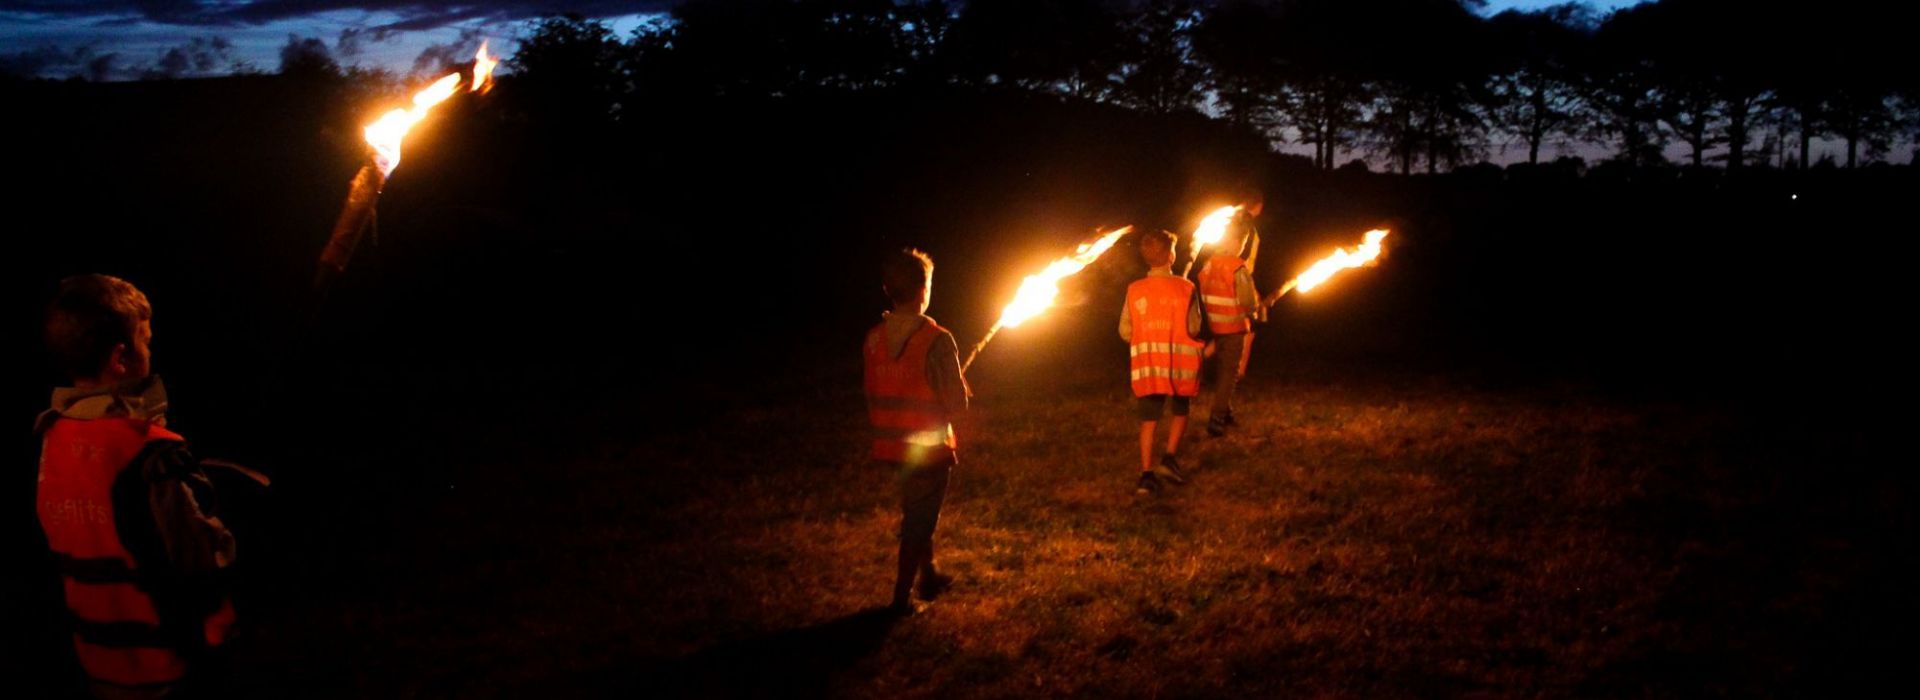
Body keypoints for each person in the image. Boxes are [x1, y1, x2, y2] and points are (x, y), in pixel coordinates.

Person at [36, 274, 238, 699]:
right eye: (146, 341)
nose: (151, 350)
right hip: (166, 662)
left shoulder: (51, 439)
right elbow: (198, 558)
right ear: (121, 358)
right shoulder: (150, 453)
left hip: (95, 660)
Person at [863, 249, 968, 615]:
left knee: (917, 511)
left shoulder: (874, 339)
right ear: (924, 289)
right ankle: (900, 600)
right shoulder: (937, 339)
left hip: (892, 447)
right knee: (919, 520)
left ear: (887, 289)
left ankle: (931, 574)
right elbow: (957, 405)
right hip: (927, 450)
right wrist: (959, 392)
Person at [1120, 231, 1205, 495]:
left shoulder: (1134, 290)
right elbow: (1195, 325)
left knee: (1149, 419)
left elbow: (1125, 330)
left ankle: (1146, 475)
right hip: (1179, 365)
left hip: (1149, 366)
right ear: (1171, 255)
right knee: (1181, 409)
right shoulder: (1186, 287)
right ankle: (1169, 458)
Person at [1196, 194, 1264, 437]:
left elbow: (1203, 287)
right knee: (1229, 374)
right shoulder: (1237, 267)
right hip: (1234, 328)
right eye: (1243, 243)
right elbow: (1247, 300)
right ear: (1236, 242)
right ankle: (1216, 418)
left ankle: (1226, 411)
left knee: (1224, 370)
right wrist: (1255, 309)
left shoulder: (1209, 263)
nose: (1243, 247)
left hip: (1215, 324)